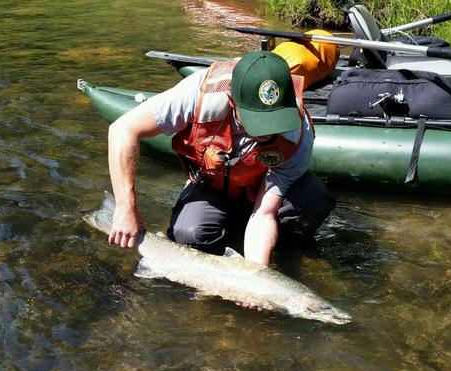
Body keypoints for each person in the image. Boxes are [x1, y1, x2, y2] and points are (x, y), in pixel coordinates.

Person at [106, 50, 333, 271]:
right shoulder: (199, 93)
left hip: (261, 194)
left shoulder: (298, 134)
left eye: (275, 121)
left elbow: (264, 213)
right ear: (233, 103)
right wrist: (126, 207)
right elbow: (122, 129)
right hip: (211, 185)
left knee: (312, 199)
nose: (268, 132)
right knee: (189, 234)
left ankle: (281, 246)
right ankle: (228, 228)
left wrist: (256, 273)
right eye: (258, 122)